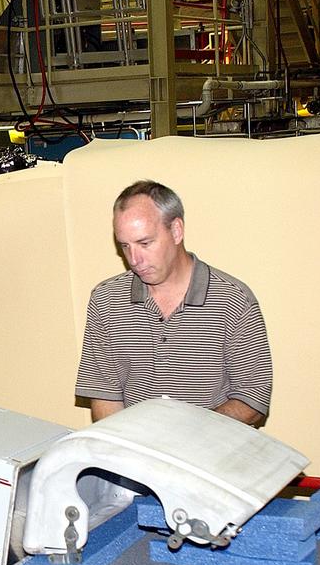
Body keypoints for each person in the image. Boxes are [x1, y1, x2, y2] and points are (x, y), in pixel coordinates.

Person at [76, 180, 272, 426]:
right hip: (135, 452)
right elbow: (105, 395)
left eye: (145, 243)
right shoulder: (106, 300)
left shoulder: (233, 301)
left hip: (210, 449)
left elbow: (252, 399)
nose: (134, 259)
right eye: (125, 246)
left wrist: (186, 436)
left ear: (176, 231)